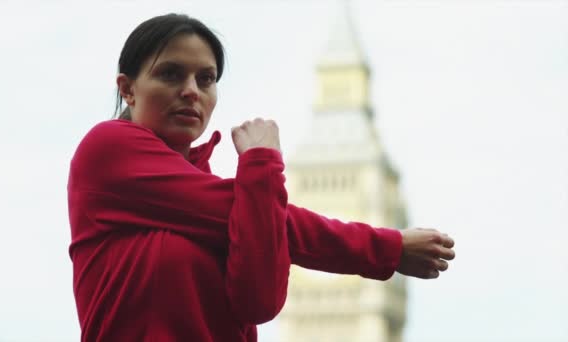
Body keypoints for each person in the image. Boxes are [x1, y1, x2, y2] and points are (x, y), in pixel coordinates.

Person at [67, 13, 455, 342]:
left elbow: (260, 303)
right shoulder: (108, 150)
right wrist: (263, 163)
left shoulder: (238, 201)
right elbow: (278, 222)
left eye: (206, 79)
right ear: (127, 89)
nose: (190, 91)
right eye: (170, 74)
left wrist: (259, 179)